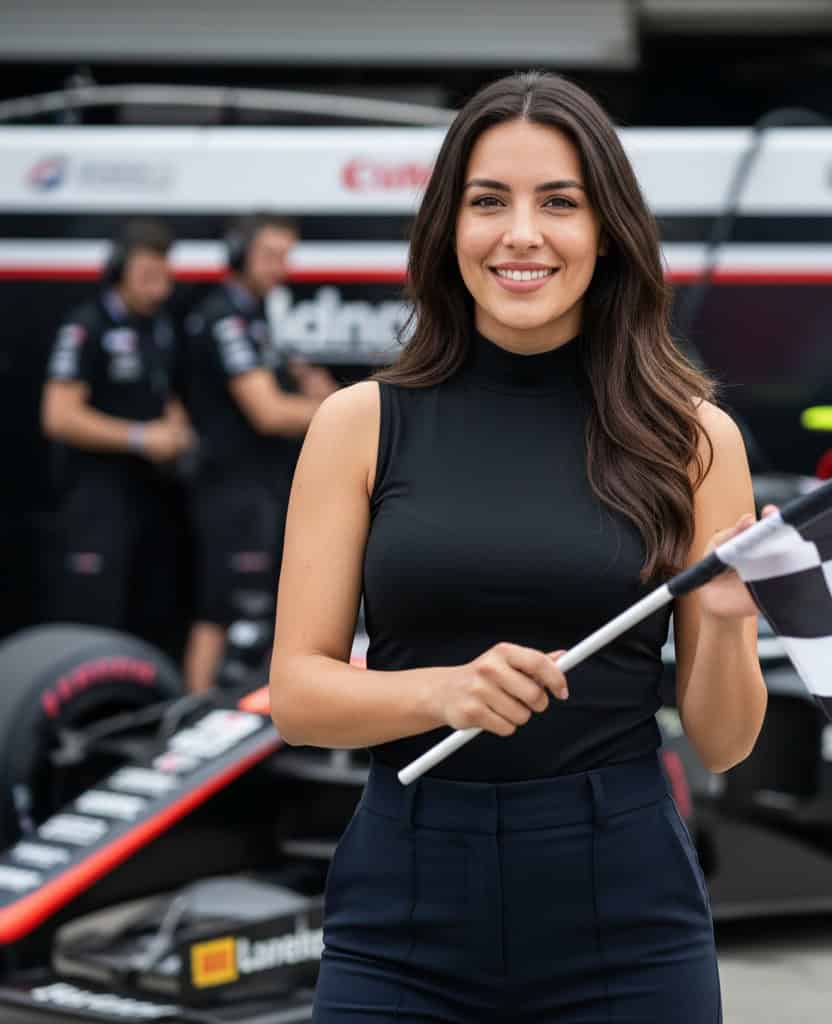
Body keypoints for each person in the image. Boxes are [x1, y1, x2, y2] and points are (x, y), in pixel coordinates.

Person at [270, 72, 768, 1023]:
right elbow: (297, 696)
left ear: (607, 230)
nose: (522, 234)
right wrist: (440, 692)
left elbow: (723, 739)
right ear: (447, 227)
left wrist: (725, 618)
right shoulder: (357, 424)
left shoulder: (696, 441)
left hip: (624, 908)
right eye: (488, 200)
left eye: (560, 203)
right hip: (403, 910)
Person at [182, 213, 335, 694]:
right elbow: (267, 412)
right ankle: (196, 719)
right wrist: (336, 410)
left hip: (260, 491)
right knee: (220, 614)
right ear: (238, 254)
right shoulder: (224, 319)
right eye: (271, 256)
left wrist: (316, 393)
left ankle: (260, 727)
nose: (280, 269)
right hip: (231, 492)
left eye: (286, 257)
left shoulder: (255, 317)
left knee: (267, 612)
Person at [41, 219, 192, 654]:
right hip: (93, 500)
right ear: (118, 271)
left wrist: (175, 429)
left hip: (148, 498)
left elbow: (164, 395)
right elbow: (58, 415)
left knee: (144, 619)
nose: (159, 288)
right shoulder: (86, 326)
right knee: (90, 622)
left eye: (165, 275)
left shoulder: (160, 328)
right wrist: (141, 437)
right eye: (148, 275)